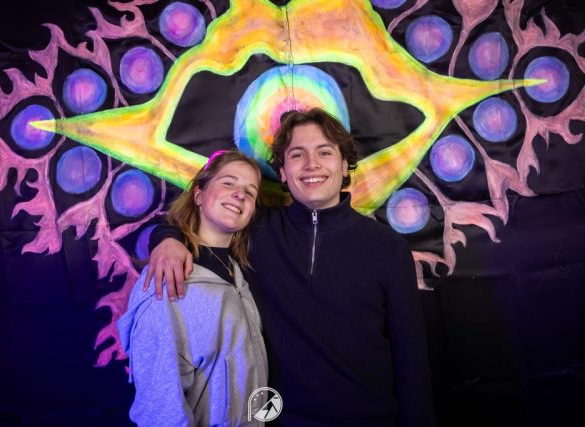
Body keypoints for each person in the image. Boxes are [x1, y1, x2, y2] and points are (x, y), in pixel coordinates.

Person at [147, 108, 436, 426]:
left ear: (344, 165)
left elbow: (412, 362)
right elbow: (203, 219)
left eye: (324, 152)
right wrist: (167, 240)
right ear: (283, 172)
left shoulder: (388, 249)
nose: (312, 164)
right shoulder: (256, 229)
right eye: (297, 155)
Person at [117, 150, 268, 426]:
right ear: (199, 195)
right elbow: (160, 409)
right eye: (228, 183)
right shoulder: (167, 280)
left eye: (250, 191)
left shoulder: (240, 275)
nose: (240, 195)